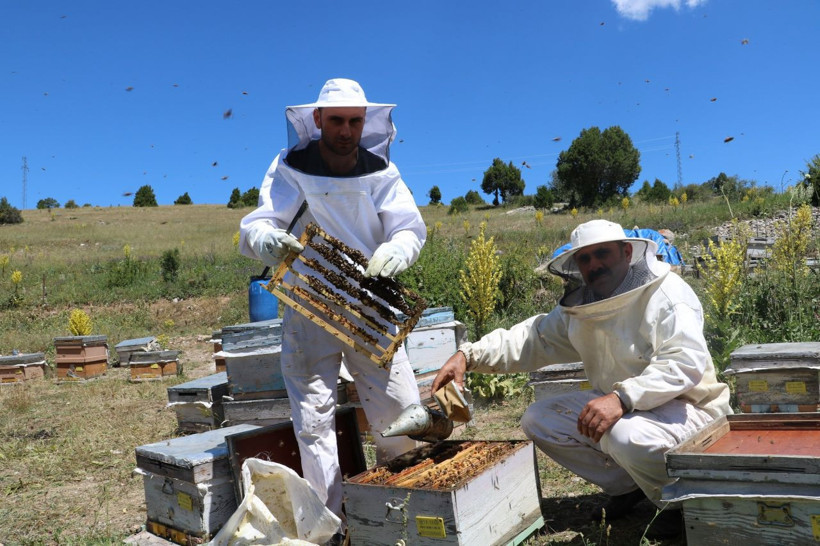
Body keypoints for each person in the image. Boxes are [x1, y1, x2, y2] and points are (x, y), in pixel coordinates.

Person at [431, 219, 731, 539]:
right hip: (627, 408)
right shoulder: (583, 306)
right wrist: (468, 355)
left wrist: (621, 398)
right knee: (539, 418)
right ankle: (628, 487)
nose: (594, 265)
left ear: (627, 252)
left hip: (690, 409)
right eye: (584, 259)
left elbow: (685, 362)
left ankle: (679, 504)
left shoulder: (667, 294)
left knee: (624, 435)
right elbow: (533, 339)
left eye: (602, 253)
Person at [238, 78, 425, 520]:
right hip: (310, 306)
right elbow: (257, 224)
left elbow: (409, 227)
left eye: (354, 122)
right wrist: (267, 240)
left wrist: (397, 248)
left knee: (398, 412)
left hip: (371, 308)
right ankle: (331, 522)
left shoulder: (381, 170)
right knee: (314, 423)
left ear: (366, 123)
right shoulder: (290, 166)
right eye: (337, 120)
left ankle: (398, 512)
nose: (345, 131)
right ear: (318, 120)